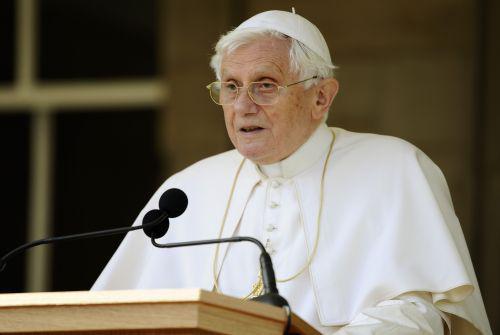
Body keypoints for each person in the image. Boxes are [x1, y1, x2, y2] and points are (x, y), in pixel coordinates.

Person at [93, 10, 491, 335]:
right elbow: (120, 317)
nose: (243, 105)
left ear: (321, 96)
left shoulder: (395, 168)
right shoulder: (186, 190)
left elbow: (421, 315)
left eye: (265, 85)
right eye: (231, 87)